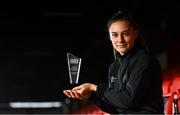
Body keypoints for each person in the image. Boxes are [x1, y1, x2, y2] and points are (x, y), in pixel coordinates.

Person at [63, 10, 164, 114]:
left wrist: (94, 88)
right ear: (110, 37)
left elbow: (128, 100)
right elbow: (115, 108)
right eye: (114, 35)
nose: (120, 40)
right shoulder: (114, 66)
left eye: (125, 34)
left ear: (135, 34)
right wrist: (91, 96)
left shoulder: (144, 60)